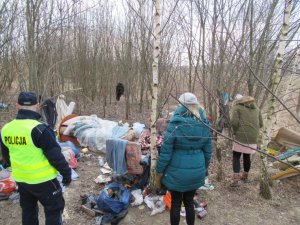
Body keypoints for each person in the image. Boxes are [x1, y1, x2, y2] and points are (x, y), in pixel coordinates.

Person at [0, 91, 71, 225]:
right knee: (53, 211)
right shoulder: (40, 129)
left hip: (21, 180)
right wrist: (67, 175)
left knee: (28, 212)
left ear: (17, 106)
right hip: (45, 181)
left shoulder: (5, 129)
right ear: (38, 106)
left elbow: (6, 157)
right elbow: (56, 157)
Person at [156, 92, 212, 225]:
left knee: (175, 203)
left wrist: (159, 171)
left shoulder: (175, 125)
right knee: (189, 202)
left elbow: (165, 153)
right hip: (196, 171)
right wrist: (203, 169)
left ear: (180, 105)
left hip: (176, 172)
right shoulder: (204, 125)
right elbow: (208, 152)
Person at [230, 95, 263, 187]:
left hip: (241, 135)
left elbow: (233, 122)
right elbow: (261, 124)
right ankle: (245, 177)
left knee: (236, 156)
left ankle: (236, 181)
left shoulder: (237, 107)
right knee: (247, 156)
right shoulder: (256, 109)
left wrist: (235, 132)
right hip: (253, 136)